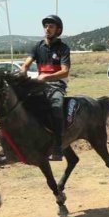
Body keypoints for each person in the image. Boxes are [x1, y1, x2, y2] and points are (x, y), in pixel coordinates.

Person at [21, 14, 70, 161]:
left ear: (58, 30)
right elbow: (26, 64)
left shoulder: (63, 48)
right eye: (46, 26)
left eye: (51, 26)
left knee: (56, 105)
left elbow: (65, 71)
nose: (47, 29)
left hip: (57, 84)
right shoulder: (37, 46)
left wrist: (45, 77)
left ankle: (58, 147)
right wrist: (22, 72)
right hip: (40, 84)